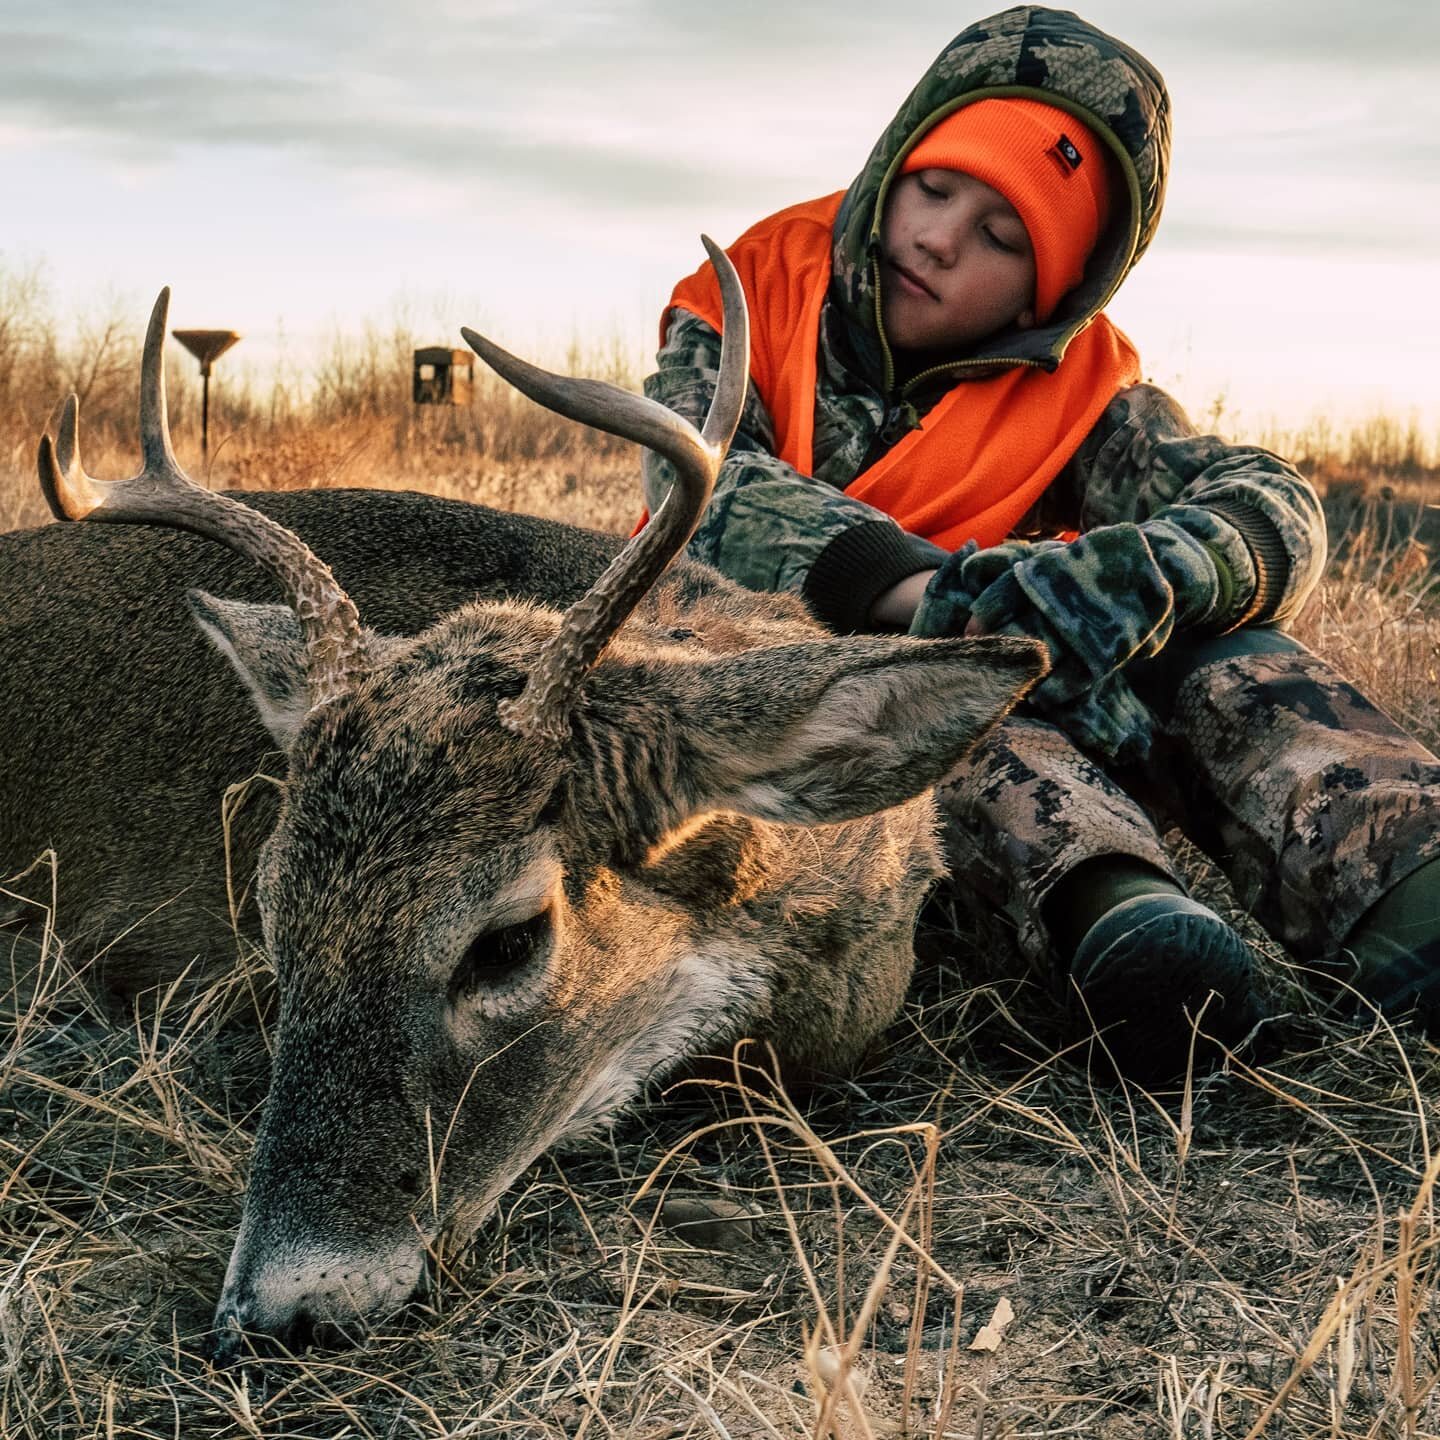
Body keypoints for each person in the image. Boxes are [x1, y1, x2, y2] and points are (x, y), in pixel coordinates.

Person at [639, 6, 1440, 1079]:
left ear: (1054, 291)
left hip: (1048, 689)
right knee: (937, 689)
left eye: (1004, 236)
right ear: (895, 164)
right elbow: (703, 488)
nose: (937, 238)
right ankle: (1116, 920)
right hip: (786, 709)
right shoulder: (752, 290)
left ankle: (1408, 885)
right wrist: (935, 598)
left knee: (1222, 651)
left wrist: (1150, 575)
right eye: (933, 186)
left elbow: (1270, 501)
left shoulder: (1093, 386)